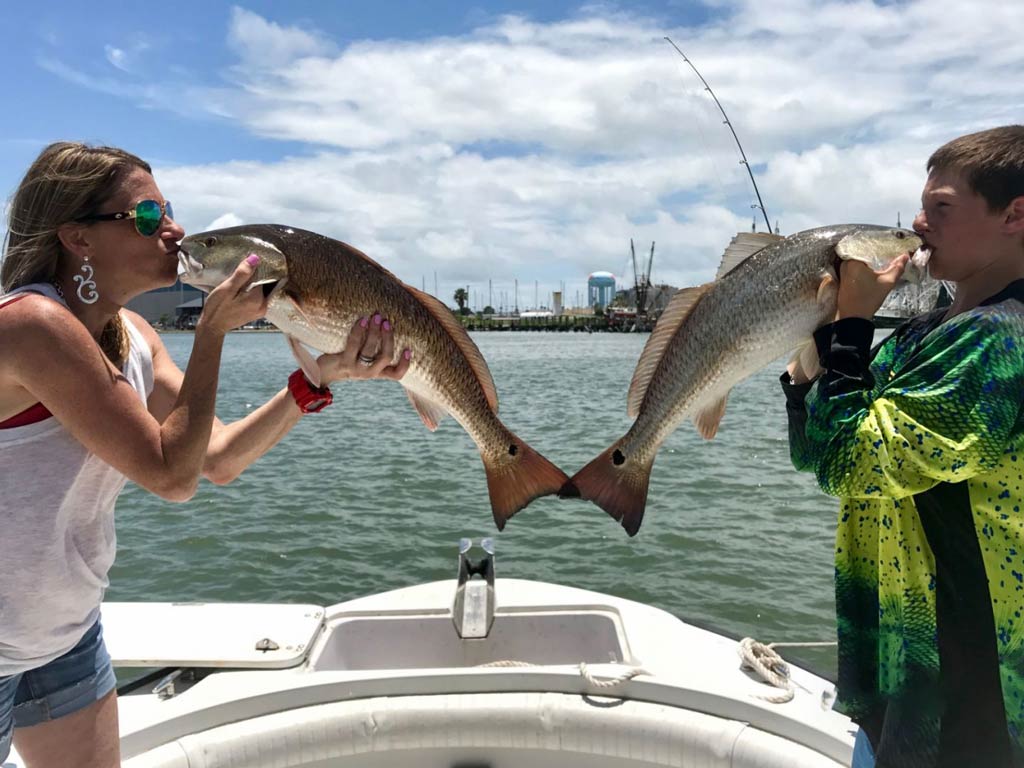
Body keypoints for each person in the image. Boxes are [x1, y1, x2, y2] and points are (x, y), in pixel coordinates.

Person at [0, 141, 411, 768]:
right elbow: (170, 476)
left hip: (61, 635)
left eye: (169, 209)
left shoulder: (131, 335)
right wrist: (213, 330)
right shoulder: (30, 324)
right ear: (78, 238)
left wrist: (317, 381)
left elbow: (214, 458)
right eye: (146, 216)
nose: (175, 228)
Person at [781, 124, 1024, 767]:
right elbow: (815, 453)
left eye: (941, 207)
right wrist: (818, 346)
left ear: (1015, 216)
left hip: (969, 682)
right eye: (922, 205)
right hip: (899, 659)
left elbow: (851, 463)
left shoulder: (1002, 341)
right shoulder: (929, 332)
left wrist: (856, 324)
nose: (919, 223)